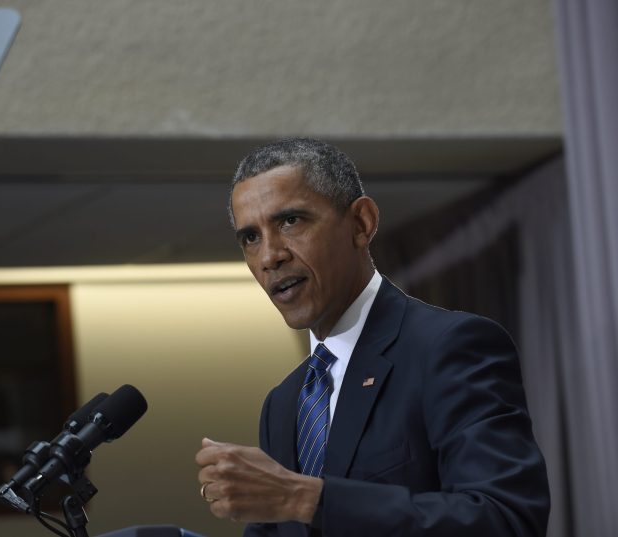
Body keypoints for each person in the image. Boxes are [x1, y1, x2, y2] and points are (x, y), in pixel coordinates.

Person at [195, 138, 550, 536]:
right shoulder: (283, 403)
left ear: (361, 224)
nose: (269, 256)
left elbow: (506, 519)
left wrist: (307, 499)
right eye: (250, 237)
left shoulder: (449, 347)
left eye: (290, 221)